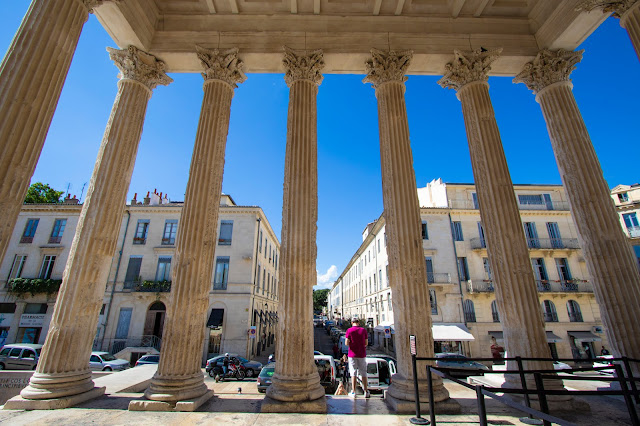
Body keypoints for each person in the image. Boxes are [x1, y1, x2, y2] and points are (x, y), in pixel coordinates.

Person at [345, 318, 369, 398]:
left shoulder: (349, 330)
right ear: (358, 322)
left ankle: (353, 391)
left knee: (353, 372)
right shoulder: (363, 330)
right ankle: (366, 391)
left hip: (352, 354)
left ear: (352, 322)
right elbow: (366, 343)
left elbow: (346, 343)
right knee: (363, 372)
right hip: (362, 354)